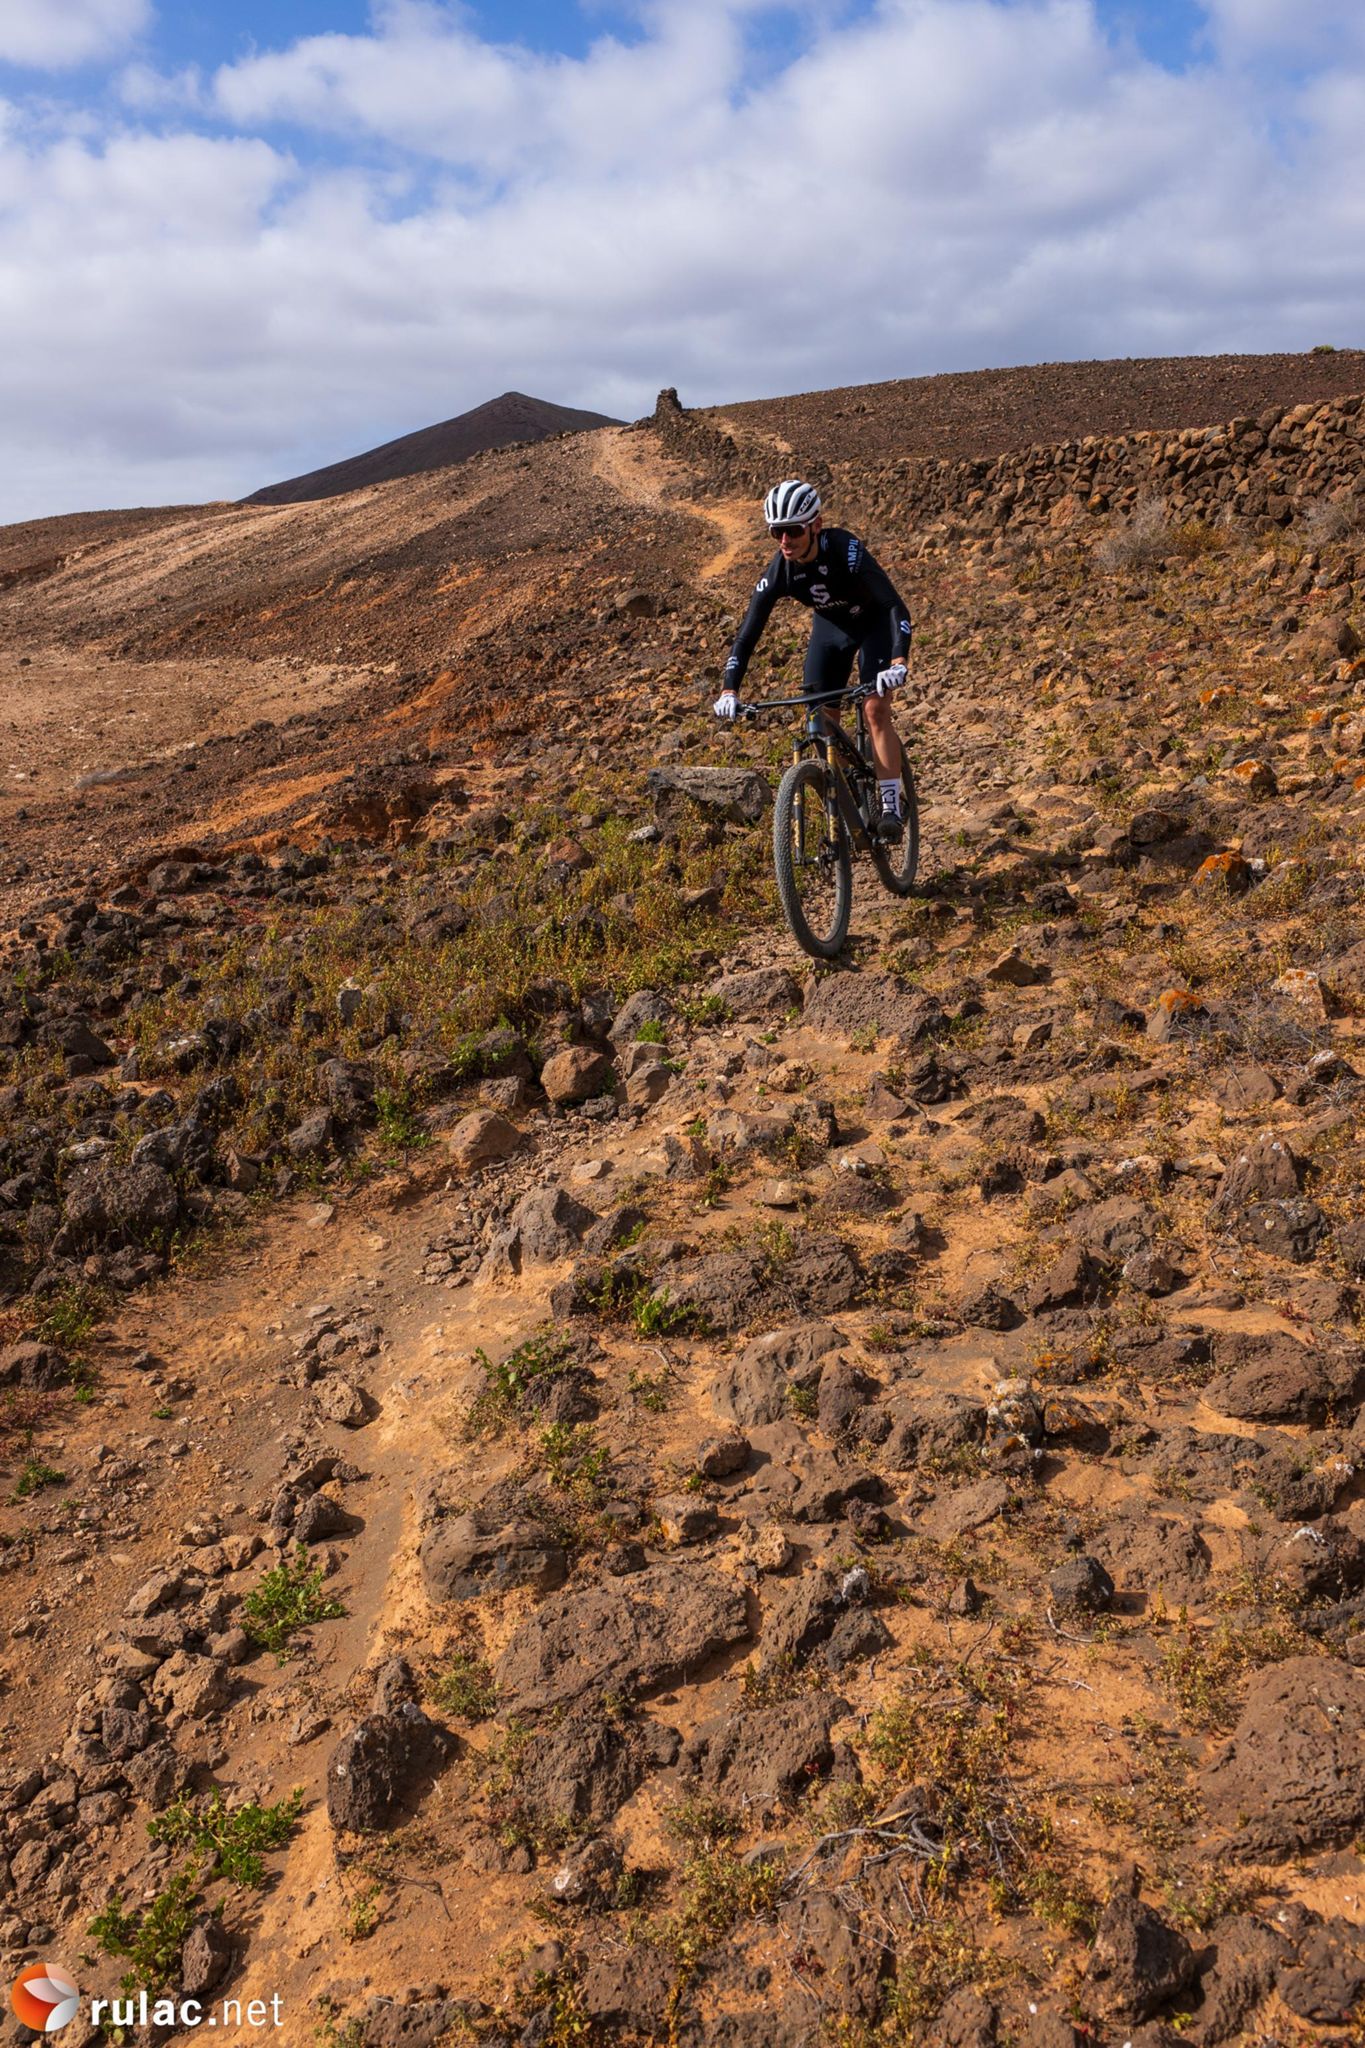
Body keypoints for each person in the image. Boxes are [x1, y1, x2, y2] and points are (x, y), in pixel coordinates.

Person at [713, 479, 912, 838]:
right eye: (776, 532)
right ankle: (850, 797)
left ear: (815, 525)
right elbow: (747, 634)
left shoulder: (846, 549)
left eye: (793, 530)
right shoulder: (782, 569)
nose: (784, 540)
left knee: (874, 709)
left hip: (873, 625)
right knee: (818, 724)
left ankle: (890, 804)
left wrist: (898, 661)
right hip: (831, 628)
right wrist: (730, 689)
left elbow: (893, 605)